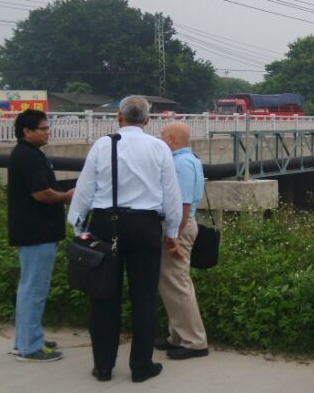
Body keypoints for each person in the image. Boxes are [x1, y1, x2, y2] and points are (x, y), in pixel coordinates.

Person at [67, 95, 183, 383]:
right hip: (145, 226)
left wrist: (78, 227)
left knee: (103, 296)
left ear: (118, 117)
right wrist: (171, 233)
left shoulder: (102, 145)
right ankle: (141, 366)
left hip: (105, 224)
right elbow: (171, 194)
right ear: (147, 120)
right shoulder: (159, 148)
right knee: (144, 297)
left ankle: (103, 366)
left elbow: (84, 190)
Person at [7, 109, 74, 362]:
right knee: (34, 289)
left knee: (29, 288)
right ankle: (30, 347)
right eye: (43, 129)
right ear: (27, 131)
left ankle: (26, 339)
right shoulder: (28, 156)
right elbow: (41, 194)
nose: (48, 132)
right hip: (36, 232)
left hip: (35, 231)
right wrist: (66, 197)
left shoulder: (29, 153)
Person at [155, 121, 210, 360]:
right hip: (181, 225)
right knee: (173, 283)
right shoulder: (189, 159)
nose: (159, 139)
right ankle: (178, 336)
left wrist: (173, 236)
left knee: (177, 283)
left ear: (171, 139)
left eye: (162, 135)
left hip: (179, 226)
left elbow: (183, 204)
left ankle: (194, 341)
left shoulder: (180, 164)